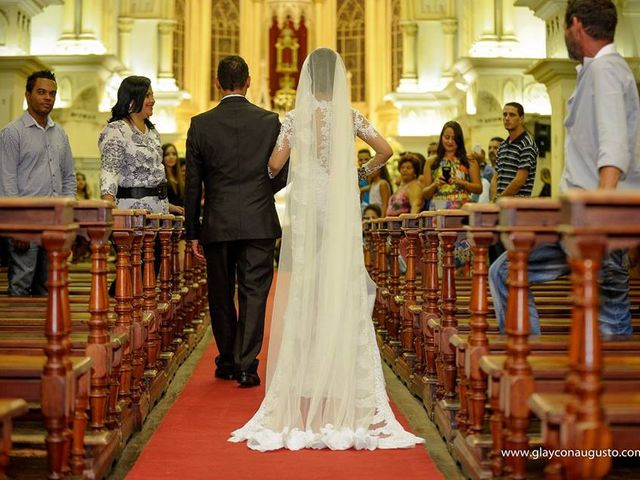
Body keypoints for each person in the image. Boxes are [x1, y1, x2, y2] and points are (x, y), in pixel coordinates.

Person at [229, 48, 423, 451]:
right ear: (336, 79)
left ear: (308, 79)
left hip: (308, 205)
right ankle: (343, 373)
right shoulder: (350, 117)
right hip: (339, 205)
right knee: (343, 279)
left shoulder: (295, 118)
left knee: (307, 284)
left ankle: (305, 371)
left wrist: (283, 167)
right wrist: (358, 173)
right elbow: (385, 151)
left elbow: (274, 163)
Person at [489, 0, 640, 337]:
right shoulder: (598, 70)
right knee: (506, 272)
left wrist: (600, 222)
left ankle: (528, 368)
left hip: (596, 226)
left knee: (610, 324)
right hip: (582, 222)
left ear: (575, 25)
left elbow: (614, 150)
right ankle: (527, 364)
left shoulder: (605, 70)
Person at [184, 55, 287, 388]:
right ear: (249, 81)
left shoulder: (200, 124)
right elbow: (283, 173)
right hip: (258, 219)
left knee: (220, 292)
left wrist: (191, 231)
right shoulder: (270, 121)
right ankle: (247, 364)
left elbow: (192, 183)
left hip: (217, 220)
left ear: (217, 83)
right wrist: (259, 191)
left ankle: (227, 359)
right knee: (255, 293)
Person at [0, 70, 76, 295]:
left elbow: (69, 178)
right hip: (27, 222)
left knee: (51, 287)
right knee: (21, 285)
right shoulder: (12, 133)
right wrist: (19, 228)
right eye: (41, 92)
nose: (48, 98)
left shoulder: (60, 134)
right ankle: (19, 331)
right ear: (27, 95)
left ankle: (48, 331)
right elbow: (7, 182)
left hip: (55, 222)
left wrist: (68, 221)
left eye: (52, 93)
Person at [99, 75, 183, 216]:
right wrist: (109, 212)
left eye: (152, 95)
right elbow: (109, 173)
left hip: (158, 211)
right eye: (147, 96)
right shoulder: (117, 130)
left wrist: (166, 205)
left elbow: (152, 177)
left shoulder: (152, 132)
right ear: (132, 100)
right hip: (131, 211)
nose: (153, 100)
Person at [422, 121, 482, 210]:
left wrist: (462, 183)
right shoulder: (431, 161)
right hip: (438, 208)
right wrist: (435, 185)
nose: (450, 141)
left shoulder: (469, 160)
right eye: (447, 137)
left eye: (454, 138)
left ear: (459, 140)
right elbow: (425, 194)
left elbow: (479, 189)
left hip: (462, 207)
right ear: (441, 137)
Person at [491, 102, 538, 199]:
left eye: (512, 115)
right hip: (501, 206)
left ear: (521, 119)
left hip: (518, 207)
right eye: (505, 114)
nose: (507, 118)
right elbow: (495, 177)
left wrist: (500, 199)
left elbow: (519, 180)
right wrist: (494, 199)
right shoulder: (502, 146)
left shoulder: (527, 144)